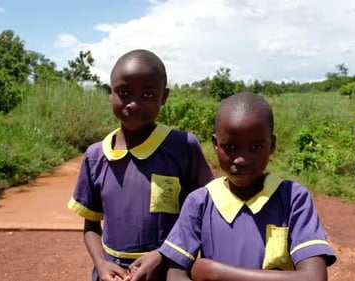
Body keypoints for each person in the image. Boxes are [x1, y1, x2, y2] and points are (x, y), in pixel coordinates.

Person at [67, 49, 214, 281]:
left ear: (164, 97)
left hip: (167, 271)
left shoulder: (182, 146)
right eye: (124, 92)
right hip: (112, 275)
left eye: (147, 94)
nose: (134, 104)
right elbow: (91, 225)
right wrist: (101, 264)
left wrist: (162, 255)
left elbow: (206, 211)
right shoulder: (96, 157)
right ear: (109, 93)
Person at [158, 92, 337, 281]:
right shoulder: (200, 202)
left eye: (256, 147)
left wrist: (216, 272)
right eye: (230, 147)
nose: (242, 159)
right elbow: (176, 273)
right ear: (215, 144)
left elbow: (314, 277)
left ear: (272, 145)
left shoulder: (293, 199)